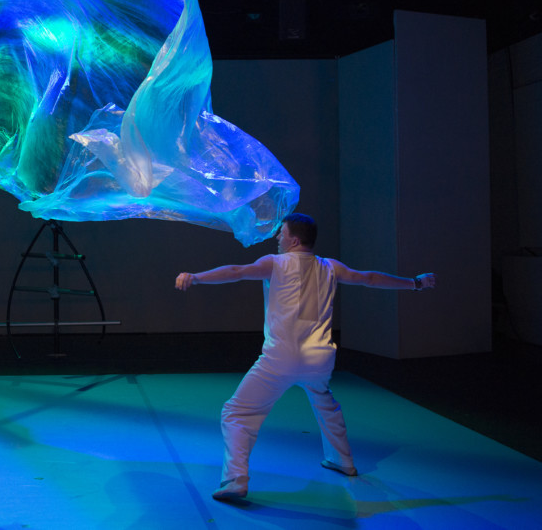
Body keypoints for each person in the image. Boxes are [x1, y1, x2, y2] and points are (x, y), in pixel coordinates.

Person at [175, 213, 435, 501]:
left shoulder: (274, 263)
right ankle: (343, 461)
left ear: (294, 239)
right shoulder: (330, 267)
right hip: (319, 358)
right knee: (325, 402)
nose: (277, 238)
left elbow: (237, 271)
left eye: (281, 233)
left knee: (237, 413)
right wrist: (416, 283)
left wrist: (196, 277)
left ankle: (236, 478)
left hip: (281, 357)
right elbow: (369, 279)